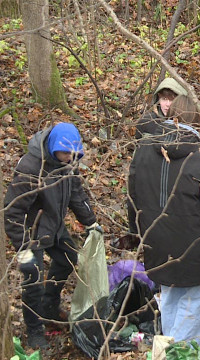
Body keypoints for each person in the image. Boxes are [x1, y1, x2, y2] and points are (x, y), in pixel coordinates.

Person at [4, 122, 101, 349]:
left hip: (54, 227)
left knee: (69, 259)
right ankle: (35, 328)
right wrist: (23, 247)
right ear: (53, 147)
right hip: (31, 233)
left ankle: (49, 306)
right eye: (65, 152)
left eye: (73, 153)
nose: (69, 157)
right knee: (32, 280)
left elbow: (76, 192)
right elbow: (12, 210)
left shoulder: (69, 164)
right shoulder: (30, 168)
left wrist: (91, 222)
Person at [128, 95, 200, 346]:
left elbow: (132, 197)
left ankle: (168, 347)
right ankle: (181, 350)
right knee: (195, 298)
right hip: (191, 241)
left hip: (155, 238)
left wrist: (137, 231)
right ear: (197, 120)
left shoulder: (143, 150)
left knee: (169, 294)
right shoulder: (199, 156)